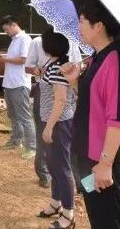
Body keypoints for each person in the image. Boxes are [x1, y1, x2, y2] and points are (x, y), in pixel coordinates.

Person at [61, 1, 120, 229]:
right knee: (96, 214)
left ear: (99, 26)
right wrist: (74, 82)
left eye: (82, 21)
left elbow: (118, 119)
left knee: (107, 219)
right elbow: (91, 104)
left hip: (102, 161)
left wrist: (105, 164)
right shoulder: (95, 58)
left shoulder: (116, 61)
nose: (79, 26)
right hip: (87, 157)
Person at [25, 28, 81, 188]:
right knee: (51, 146)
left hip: (65, 108)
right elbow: (74, 84)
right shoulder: (38, 43)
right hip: (58, 103)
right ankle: (50, 178)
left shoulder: (73, 44)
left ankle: (77, 188)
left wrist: (72, 80)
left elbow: (63, 98)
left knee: (70, 151)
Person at [36, 30, 77, 229]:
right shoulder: (52, 65)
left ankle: (69, 214)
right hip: (50, 121)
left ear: (48, 46)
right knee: (53, 165)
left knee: (62, 167)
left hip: (58, 123)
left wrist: (49, 127)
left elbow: (60, 100)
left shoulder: (59, 68)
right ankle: (56, 203)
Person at [0, 15, 36, 159]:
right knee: (13, 115)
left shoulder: (25, 39)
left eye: (7, 29)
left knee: (25, 117)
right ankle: (16, 140)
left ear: (13, 25)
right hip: (10, 83)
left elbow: (24, 59)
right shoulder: (15, 40)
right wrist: (6, 56)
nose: (6, 33)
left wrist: (6, 58)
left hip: (20, 83)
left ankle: (31, 146)